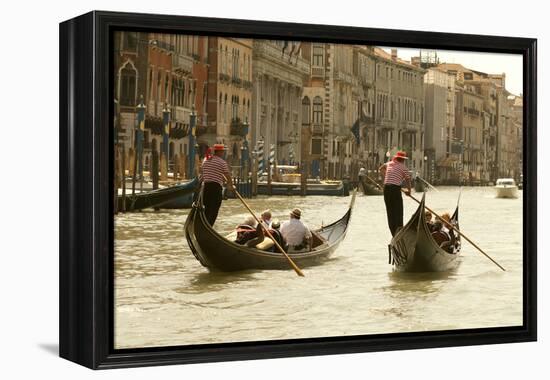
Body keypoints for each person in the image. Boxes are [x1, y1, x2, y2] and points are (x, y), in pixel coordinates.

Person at [200, 143, 234, 226]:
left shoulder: (205, 160)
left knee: (207, 208)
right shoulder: (222, 162)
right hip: (216, 188)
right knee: (214, 209)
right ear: (219, 152)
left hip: (206, 188)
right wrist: (231, 185)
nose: (223, 153)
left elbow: (203, 174)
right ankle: (209, 226)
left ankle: (204, 224)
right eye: (222, 151)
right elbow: (228, 175)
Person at [379, 151, 412, 236]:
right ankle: (399, 232)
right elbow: (408, 180)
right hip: (395, 189)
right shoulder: (403, 167)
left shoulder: (389, 163)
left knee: (390, 211)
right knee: (398, 211)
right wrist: (409, 191)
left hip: (386, 188)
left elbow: (381, 169)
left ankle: (393, 233)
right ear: (402, 160)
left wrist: (387, 176)